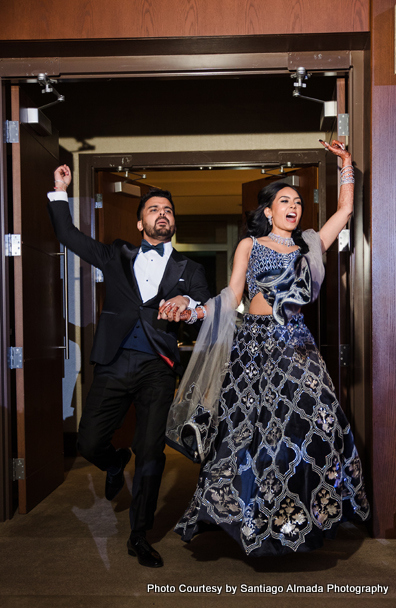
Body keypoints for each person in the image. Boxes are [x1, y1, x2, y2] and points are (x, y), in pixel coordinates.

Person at [163, 140, 370, 556]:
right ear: (268, 211)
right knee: (246, 435)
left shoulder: (309, 246)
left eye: (297, 201)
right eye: (284, 201)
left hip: (297, 347)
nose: (293, 207)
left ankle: (299, 519)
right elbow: (231, 296)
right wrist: (193, 313)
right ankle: (242, 520)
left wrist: (346, 165)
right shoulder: (250, 246)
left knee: (318, 425)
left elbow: (346, 212)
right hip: (254, 347)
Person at [47, 166, 210, 568]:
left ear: (174, 221)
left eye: (168, 210)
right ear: (141, 222)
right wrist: (60, 191)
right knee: (88, 442)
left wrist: (189, 308)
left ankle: (140, 536)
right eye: (154, 209)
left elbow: (209, 312)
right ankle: (114, 461)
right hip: (114, 360)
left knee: (151, 452)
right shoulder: (115, 254)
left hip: (159, 365)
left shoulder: (191, 270)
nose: (162, 214)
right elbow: (68, 236)